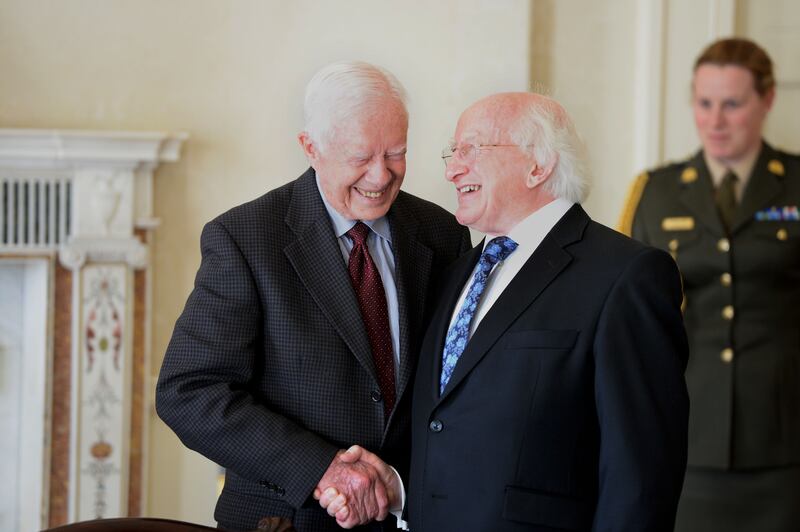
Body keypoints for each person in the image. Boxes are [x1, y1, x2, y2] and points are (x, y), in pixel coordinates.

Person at [323, 92, 690, 530]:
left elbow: (641, 478)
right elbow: (456, 427)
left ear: (538, 164)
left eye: (471, 150)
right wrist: (400, 487)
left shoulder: (626, 275)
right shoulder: (455, 271)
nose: (452, 168)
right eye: (452, 152)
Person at [155, 61, 471, 532]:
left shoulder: (442, 234)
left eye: (397, 153)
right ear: (311, 148)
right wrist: (322, 468)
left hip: (409, 517)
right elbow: (188, 391)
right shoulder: (245, 238)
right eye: (361, 156)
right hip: (287, 518)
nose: (381, 176)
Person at [619, 37, 800, 531]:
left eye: (732, 104)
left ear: (767, 101)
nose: (715, 120)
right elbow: (624, 317)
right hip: (686, 434)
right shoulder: (654, 191)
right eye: (704, 103)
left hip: (785, 442)